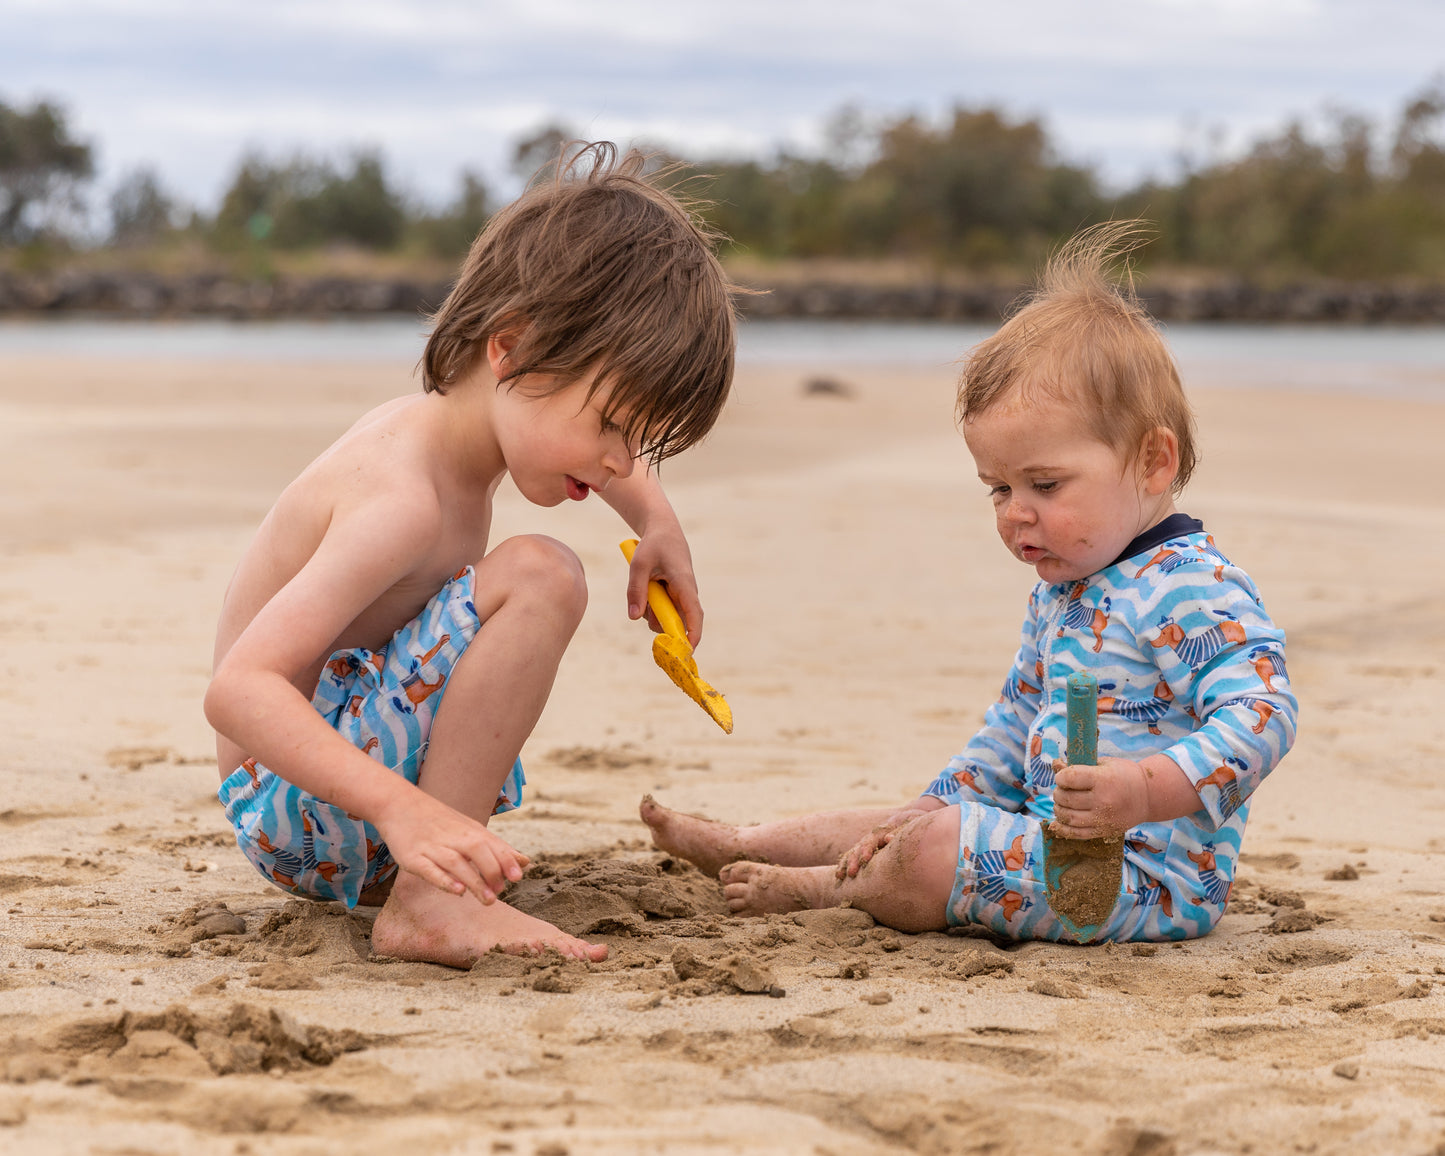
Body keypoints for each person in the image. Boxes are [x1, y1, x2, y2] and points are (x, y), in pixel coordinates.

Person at [642, 223, 1298, 943]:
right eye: (998, 488)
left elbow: (1262, 714)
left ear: (1152, 463)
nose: (1015, 512)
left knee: (929, 850)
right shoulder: (1065, 589)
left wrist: (1145, 790)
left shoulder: (1191, 585)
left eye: (1045, 484)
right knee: (906, 822)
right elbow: (1014, 724)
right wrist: (934, 802)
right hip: (1046, 839)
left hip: (1135, 878)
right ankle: (745, 843)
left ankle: (825, 889)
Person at [206, 143, 739, 966]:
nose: (619, 463)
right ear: (511, 350)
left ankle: (422, 882)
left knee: (526, 577)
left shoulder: (459, 437)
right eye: (611, 427)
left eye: (639, 441)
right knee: (541, 574)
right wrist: (403, 811)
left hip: (335, 796)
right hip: (291, 803)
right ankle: (431, 906)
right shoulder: (400, 499)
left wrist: (658, 522)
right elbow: (239, 691)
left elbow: (606, 459)